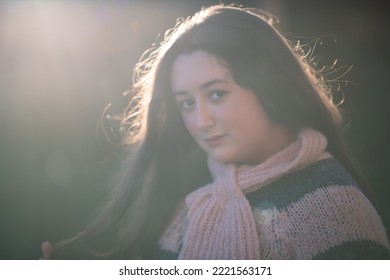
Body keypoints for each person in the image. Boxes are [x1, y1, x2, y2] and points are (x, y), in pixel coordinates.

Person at [42, 3, 390, 259]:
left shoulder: (336, 211)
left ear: (271, 87)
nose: (200, 120)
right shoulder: (193, 199)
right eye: (187, 103)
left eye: (217, 94)